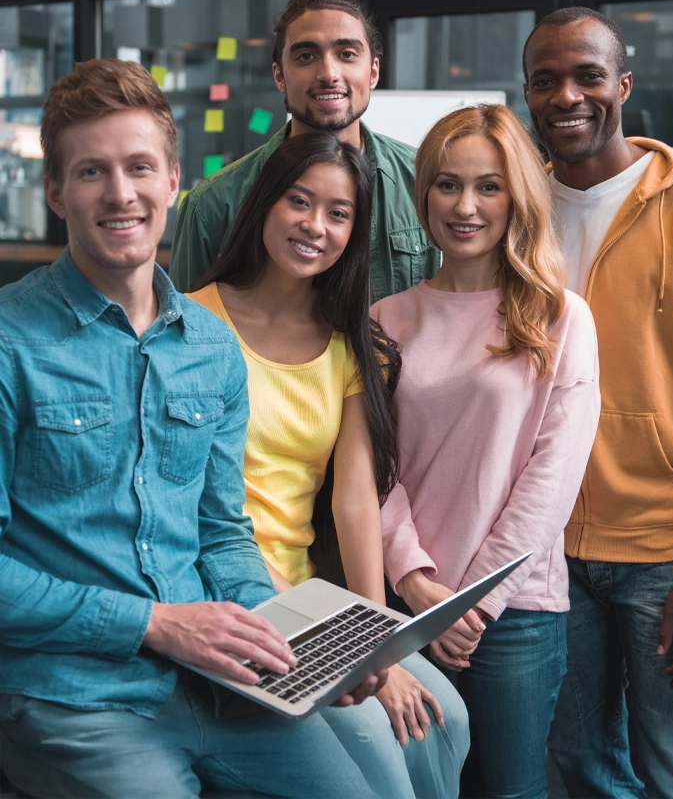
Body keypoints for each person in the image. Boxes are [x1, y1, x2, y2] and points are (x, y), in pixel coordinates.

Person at [0, 59, 398, 799]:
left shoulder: (211, 348)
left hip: (217, 681)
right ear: (55, 190)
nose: (121, 193)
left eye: (139, 167)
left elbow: (221, 532)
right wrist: (152, 624)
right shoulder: (8, 343)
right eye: (92, 172)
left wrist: (288, 642)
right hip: (73, 696)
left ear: (173, 179)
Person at [187, 132, 470, 799]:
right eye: (299, 202)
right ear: (264, 205)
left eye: (338, 213)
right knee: (384, 757)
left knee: (448, 719)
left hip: (312, 600)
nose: (316, 226)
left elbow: (353, 503)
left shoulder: (348, 346)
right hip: (231, 601)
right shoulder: (193, 324)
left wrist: (376, 644)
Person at [371, 104, 601, 799]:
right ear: (424, 194)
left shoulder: (560, 317)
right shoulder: (386, 318)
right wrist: (415, 582)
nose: (464, 205)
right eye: (446, 184)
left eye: (487, 186)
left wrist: (471, 607)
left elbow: (550, 481)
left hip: (514, 617)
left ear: (517, 199)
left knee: (508, 790)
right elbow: (370, 472)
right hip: (404, 606)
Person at [523, 6, 673, 798]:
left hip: (666, 554)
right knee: (577, 768)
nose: (566, 95)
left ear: (624, 85)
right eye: (545, 80)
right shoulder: (516, 211)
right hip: (546, 551)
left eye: (587, 75)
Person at [169, 0, 439, 300]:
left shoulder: (425, 179)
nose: (328, 73)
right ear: (279, 76)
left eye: (347, 54)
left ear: (373, 73)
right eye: (306, 56)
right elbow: (183, 337)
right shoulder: (213, 205)